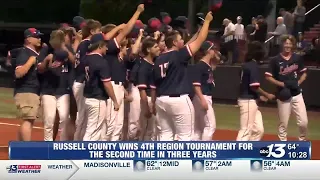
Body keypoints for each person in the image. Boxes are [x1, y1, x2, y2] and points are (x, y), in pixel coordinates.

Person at [150, 11, 213, 141]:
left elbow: (155, 85)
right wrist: (207, 22)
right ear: (174, 42)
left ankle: (163, 161)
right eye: (180, 40)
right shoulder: (179, 55)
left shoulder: (159, 59)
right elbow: (200, 41)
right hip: (178, 100)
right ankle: (184, 161)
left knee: (165, 136)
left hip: (161, 101)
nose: (183, 41)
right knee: (186, 137)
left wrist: (199, 30)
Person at [104, 4, 145, 141]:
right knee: (110, 124)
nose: (121, 36)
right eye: (117, 34)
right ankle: (102, 154)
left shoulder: (117, 53)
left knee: (118, 124)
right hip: (112, 87)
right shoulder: (108, 48)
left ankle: (113, 154)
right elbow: (126, 30)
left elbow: (132, 52)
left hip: (119, 87)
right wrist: (137, 12)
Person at [265, 35, 308, 141]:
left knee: (303, 122)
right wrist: (281, 84)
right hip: (283, 94)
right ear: (282, 44)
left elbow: (304, 73)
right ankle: (283, 144)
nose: (287, 45)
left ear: (292, 45)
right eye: (286, 43)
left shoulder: (297, 58)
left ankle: (302, 140)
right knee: (283, 123)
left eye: (290, 43)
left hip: (296, 93)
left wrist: (298, 82)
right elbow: (268, 76)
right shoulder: (275, 60)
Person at [37, 30, 74, 141]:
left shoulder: (67, 49)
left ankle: (62, 144)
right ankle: (47, 145)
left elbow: (74, 61)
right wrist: (46, 60)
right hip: (48, 90)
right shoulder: (46, 49)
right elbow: (40, 69)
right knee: (49, 120)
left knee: (64, 118)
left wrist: (64, 47)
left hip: (63, 90)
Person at [83, 33, 119, 141]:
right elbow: (107, 84)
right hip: (97, 99)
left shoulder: (85, 58)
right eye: (105, 45)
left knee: (93, 129)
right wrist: (115, 101)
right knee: (93, 130)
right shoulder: (101, 61)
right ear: (99, 46)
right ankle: (84, 155)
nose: (107, 48)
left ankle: (89, 154)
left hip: (88, 97)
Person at [237, 41, 275, 141]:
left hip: (250, 100)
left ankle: (249, 151)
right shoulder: (252, 65)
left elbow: (247, 85)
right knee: (245, 130)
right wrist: (267, 94)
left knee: (258, 130)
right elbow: (254, 86)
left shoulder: (246, 64)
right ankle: (237, 154)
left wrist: (259, 96)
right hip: (248, 101)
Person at [72, 19, 102, 140]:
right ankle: (77, 142)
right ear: (92, 31)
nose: (100, 33)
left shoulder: (83, 43)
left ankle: (78, 141)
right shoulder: (86, 44)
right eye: (99, 30)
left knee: (83, 115)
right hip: (81, 81)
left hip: (79, 81)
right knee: (82, 115)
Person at [14, 28, 43, 141]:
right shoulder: (25, 53)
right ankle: (26, 149)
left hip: (31, 90)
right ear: (28, 39)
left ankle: (18, 147)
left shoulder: (34, 53)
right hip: (26, 90)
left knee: (28, 120)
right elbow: (18, 73)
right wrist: (30, 62)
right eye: (36, 36)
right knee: (28, 120)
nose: (39, 38)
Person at [191, 41, 220, 141]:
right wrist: (202, 99)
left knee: (198, 128)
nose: (215, 51)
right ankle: (205, 151)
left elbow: (217, 62)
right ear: (208, 51)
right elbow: (196, 85)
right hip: (202, 96)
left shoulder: (207, 65)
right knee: (210, 126)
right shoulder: (200, 66)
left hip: (201, 97)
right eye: (213, 49)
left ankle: (194, 152)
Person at [136, 38, 160, 140]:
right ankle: (141, 153)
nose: (159, 48)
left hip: (153, 99)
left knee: (152, 130)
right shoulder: (144, 66)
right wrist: (146, 107)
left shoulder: (154, 64)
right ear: (149, 49)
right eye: (156, 47)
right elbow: (142, 90)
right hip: (148, 99)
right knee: (146, 130)